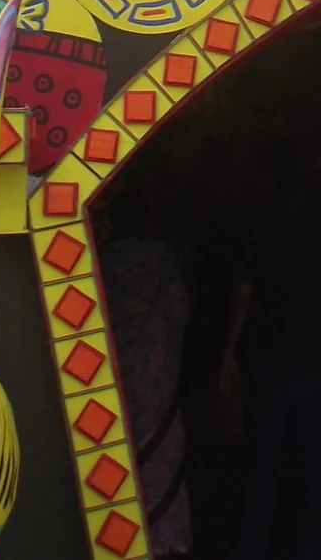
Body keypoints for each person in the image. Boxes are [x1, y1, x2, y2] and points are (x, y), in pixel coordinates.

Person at [222, 135, 321, 560]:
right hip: (318, 351)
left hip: (267, 354)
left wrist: (228, 353)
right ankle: (310, 548)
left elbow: (243, 291)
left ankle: (255, 548)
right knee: (314, 468)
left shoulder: (257, 221)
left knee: (262, 467)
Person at [100, 192, 193, 557]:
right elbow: (180, 312)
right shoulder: (160, 261)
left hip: (110, 379)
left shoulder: (100, 261)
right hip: (157, 381)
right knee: (161, 458)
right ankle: (167, 540)